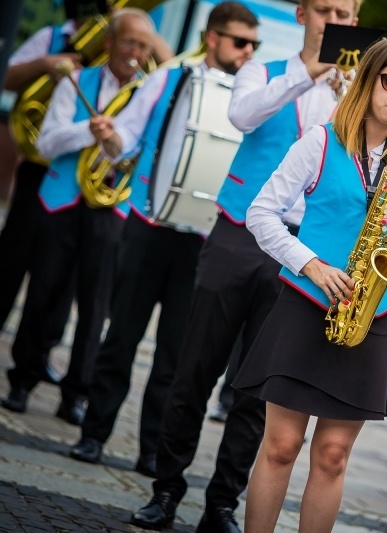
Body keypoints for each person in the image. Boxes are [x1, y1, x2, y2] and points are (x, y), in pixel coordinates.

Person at [127, 0, 362, 530]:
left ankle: (222, 503)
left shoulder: (357, 94)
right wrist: (312, 71)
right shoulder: (266, 69)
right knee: (196, 368)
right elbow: (242, 115)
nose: (336, 21)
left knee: (260, 388)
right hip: (241, 234)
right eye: (325, 9)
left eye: (346, 13)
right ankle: (166, 489)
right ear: (302, 14)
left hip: (311, 253)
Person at [234, 35, 387, 532]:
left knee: (334, 455)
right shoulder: (320, 140)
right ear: (368, 79)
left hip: (372, 314)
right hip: (307, 302)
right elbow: (260, 213)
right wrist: (311, 264)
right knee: (280, 447)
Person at [68, 1, 259, 479]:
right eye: (240, 41)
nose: (248, 51)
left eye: (254, 43)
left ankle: (152, 451)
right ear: (213, 38)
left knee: (175, 356)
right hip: (147, 225)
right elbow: (127, 140)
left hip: (202, 241)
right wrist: (108, 138)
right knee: (121, 337)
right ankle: (94, 435)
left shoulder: (253, 97)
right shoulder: (168, 79)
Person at [1, 8, 155, 425]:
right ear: (108, 44)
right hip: (60, 201)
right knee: (43, 292)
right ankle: (22, 379)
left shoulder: (147, 92)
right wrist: (90, 131)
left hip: (110, 208)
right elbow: (48, 142)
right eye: (129, 43)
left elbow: (142, 151)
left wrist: (117, 143)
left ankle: (76, 394)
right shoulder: (75, 80)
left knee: (95, 305)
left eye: (143, 46)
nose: (136, 54)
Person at [0, 2, 84, 387]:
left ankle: (39, 352)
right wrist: (46, 65)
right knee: (14, 253)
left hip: (82, 174)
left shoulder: (123, 45)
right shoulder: (51, 38)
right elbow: (8, 76)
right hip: (39, 163)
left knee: (61, 275)